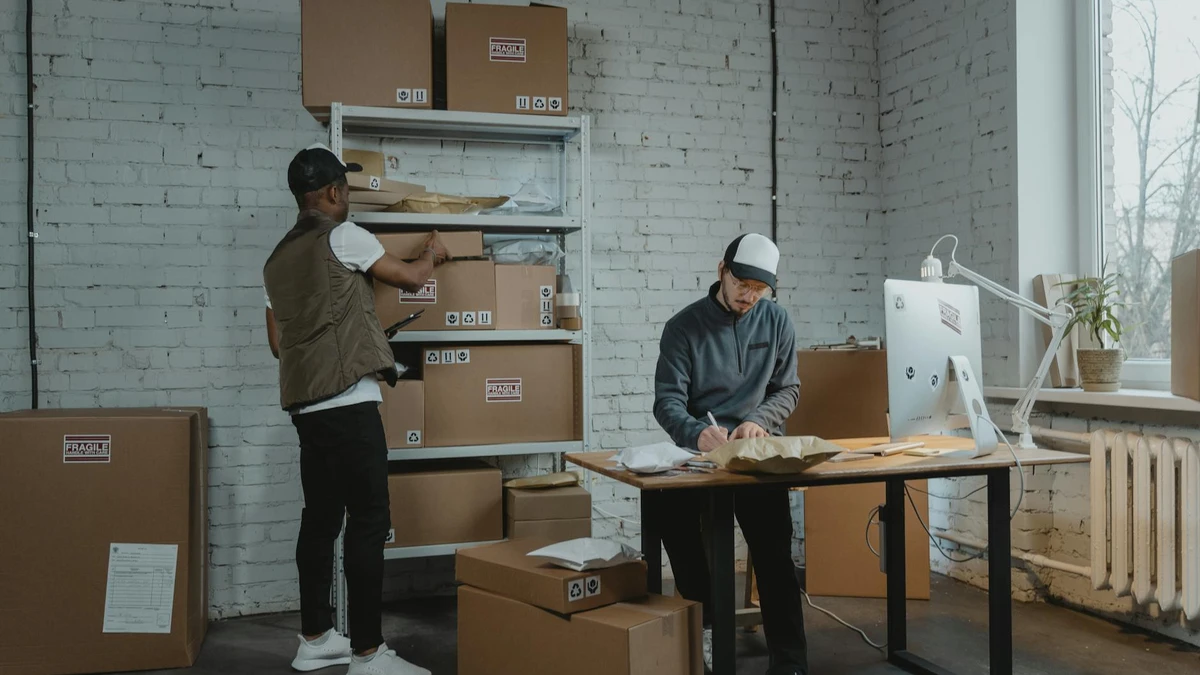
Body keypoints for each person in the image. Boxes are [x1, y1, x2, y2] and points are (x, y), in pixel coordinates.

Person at [263, 143, 449, 675]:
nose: (347, 195)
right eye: (343, 187)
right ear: (331, 193)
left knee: (319, 521)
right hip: (350, 405)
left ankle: (316, 639)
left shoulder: (275, 261)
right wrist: (433, 254)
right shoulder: (345, 237)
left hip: (307, 411)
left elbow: (280, 344)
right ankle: (369, 654)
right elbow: (412, 279)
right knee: (369, 521)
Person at [652, 233, 806, 675]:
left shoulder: (777, 322)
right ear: (722, 270)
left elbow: (788, 388)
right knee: (673, 521)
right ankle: (707, 629)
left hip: (756, 452)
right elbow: (667, 402)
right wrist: (698, 433)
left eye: (759, 289)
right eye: (741, 284)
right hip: (701, 458)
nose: (748, 296)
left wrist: (760, 418)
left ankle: (791, 663)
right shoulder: (683, 327)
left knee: (776, 556)